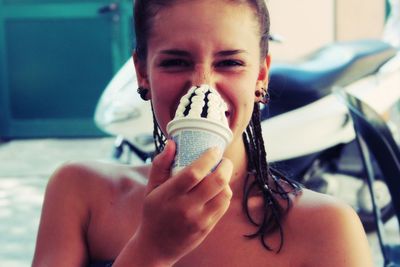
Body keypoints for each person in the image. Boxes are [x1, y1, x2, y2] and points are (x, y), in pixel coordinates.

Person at [32, 0, 374, 266]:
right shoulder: (79, 193)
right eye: (175, 62)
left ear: (261, 75)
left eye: (230, 63)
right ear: (142, 72)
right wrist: (150, 251)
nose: (202, 85)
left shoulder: (327, 228)